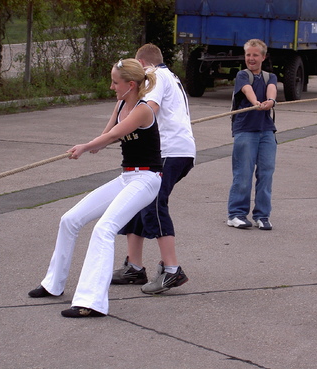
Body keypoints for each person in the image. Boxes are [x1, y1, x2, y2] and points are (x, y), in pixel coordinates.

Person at [28, 58, 162, 318]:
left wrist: (86, 146)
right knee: (70, 219)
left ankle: (91, 303)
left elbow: (113, 135)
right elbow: (107, 134)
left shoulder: (144, 110)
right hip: (127, 177)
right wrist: (92, 144)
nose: (111, 86)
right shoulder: (122, 103)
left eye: (115, 82)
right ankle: (53, 285)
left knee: (104, 229)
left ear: (130, 85)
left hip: (147, 179)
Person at [112, 44, 196, 294]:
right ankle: (134, 267)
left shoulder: (156, 77)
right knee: (136, 200)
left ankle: (172, 270)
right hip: (172, 151)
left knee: (154, 202)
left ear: (141, 64)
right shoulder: (168, 76)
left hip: (171, 151)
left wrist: (119, 131)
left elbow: (151, 108)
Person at [227, 39, 277, 230]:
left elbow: (272, 89)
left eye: (255, 55)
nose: (251, 58)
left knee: (266, 172)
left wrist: (270, 100)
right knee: (243, 173)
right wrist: (256, 102)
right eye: (248, 55)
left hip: (266, 131)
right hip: (245, 130)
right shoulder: (242, 75)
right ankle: (236, 214)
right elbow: (247, 90)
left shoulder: (269, 76)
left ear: (263, 57)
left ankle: (262, 215)